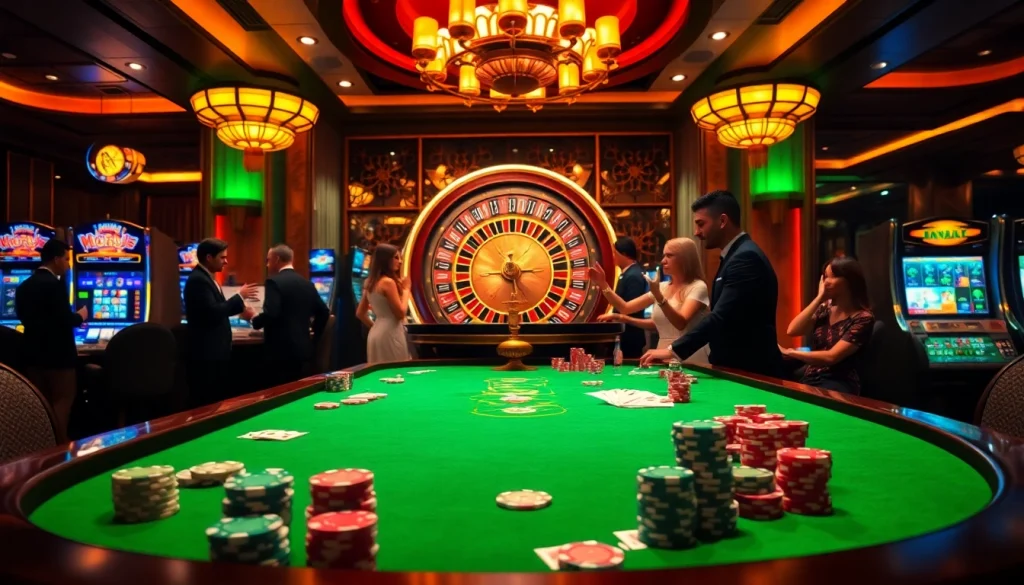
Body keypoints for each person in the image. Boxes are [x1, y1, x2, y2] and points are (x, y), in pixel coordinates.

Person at [640, 190, 783, 377]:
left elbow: (722, 317)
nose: (696, 232)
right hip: (737, 367)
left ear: (722, 221)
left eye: (701, 224)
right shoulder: (735, 255)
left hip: (750, 370)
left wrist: (673, 350)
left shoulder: (745, 258)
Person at [591, 237, 710, 364]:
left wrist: (659, 296)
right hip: (661, 355)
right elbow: (625, 307)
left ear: (685, 259)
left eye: (669, 256)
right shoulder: (662, 287)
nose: (663, 261)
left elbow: (680, 323)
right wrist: (603, 284)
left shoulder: (698, 286)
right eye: (664, 255)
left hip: (690, 356)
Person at [14, 239, 87, 442]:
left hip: (32, 356)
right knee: (62, 402)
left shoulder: (24, 286)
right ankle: (58, 448)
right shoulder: (54, 285)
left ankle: (41, 446)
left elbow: (22, 317)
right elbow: (64, 319)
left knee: (41, 404)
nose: (68, 264)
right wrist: (81, 315)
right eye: (66, 259)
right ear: (55, 260)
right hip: (58, 358)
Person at [782, 257, 874, 394]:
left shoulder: (863, 318)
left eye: (833, 277)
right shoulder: (825, 309)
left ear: (850, 281)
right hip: (812, 377)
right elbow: (793, 330)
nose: (826, 282)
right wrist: (819, 298)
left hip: (839, 382)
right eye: (825, 277)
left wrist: (791, 352)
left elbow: (831, 357)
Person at [184, 238, 258, 405]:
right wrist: (239, 297)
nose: (226, 261)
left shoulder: (207, 278)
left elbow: (219, 309)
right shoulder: (198, 280)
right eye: (222, 257)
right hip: (206, 354)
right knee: (206, 402)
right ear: (209, 258)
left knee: (216, 399)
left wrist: (240, 307)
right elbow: (212, 312)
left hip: (215, 352)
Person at [251, 244, 331, 387]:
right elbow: (324, 312)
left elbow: (271, 313)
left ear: (276, 259)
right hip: (304, 352)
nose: (267, 265)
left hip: (280, 355)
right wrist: (314, 336)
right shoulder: (307, 284)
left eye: (268, 260)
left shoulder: (273, 282)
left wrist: (253, 318)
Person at [356, 243, 412, 364]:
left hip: (376, 333)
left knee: (379, 375)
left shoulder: (369, 282)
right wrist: (406, 289)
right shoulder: (388, 282)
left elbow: (360, 313)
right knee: (396, 374)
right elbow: (400, 313)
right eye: (396, 257)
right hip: (391, 333)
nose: (400, 261)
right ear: (385, 260)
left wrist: (376, 327)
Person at [606, 237, 648, 357]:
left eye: (615, 253)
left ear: (624, 254)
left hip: (630, 336)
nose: (613, 256)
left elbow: (631, 309)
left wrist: (615, 316)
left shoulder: (633, 276)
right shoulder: (627, 274)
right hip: (625, 335)